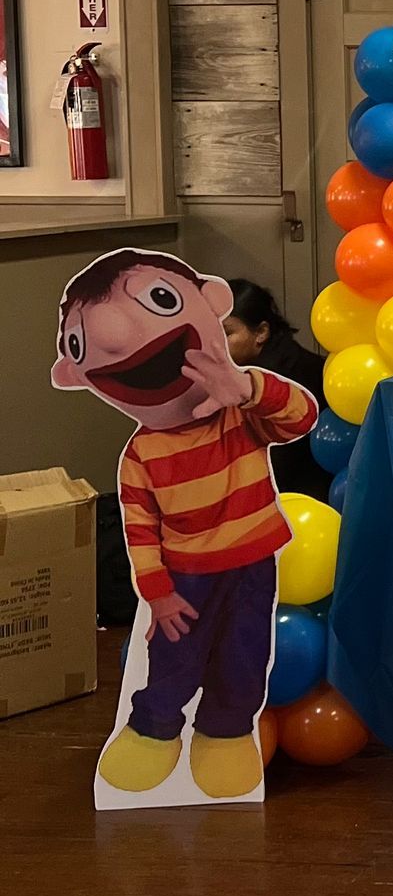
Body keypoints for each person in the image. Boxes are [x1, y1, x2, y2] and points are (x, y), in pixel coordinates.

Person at [50, 251, 318, 800]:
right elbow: (139, 534)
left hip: (251, 566)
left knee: (245, 657)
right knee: (174, 662)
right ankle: (153, 730)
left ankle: (224, 733)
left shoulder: (238, 411)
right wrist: (160, 595)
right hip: (187, 579)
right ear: (75, 374)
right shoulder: (140, 456)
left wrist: (245, 387)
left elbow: (300, 417)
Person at [223, 280, 329, 499]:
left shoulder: (268, 384)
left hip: (295, 499)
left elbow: (273, 467)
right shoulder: (290, 354)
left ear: (261, 332)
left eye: (226, 334)